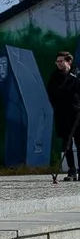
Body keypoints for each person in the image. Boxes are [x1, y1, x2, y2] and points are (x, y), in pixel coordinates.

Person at [47, 51, 80, 181]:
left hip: (77, 115)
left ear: (68, 61)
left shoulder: (77, 75)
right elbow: (51, 94)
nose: (58, 64)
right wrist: (57, 106)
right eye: (57, 61)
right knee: (66, 144)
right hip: (62, 115)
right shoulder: (54, 77)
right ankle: (71, 171)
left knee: (79, 142)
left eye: (61, 61)